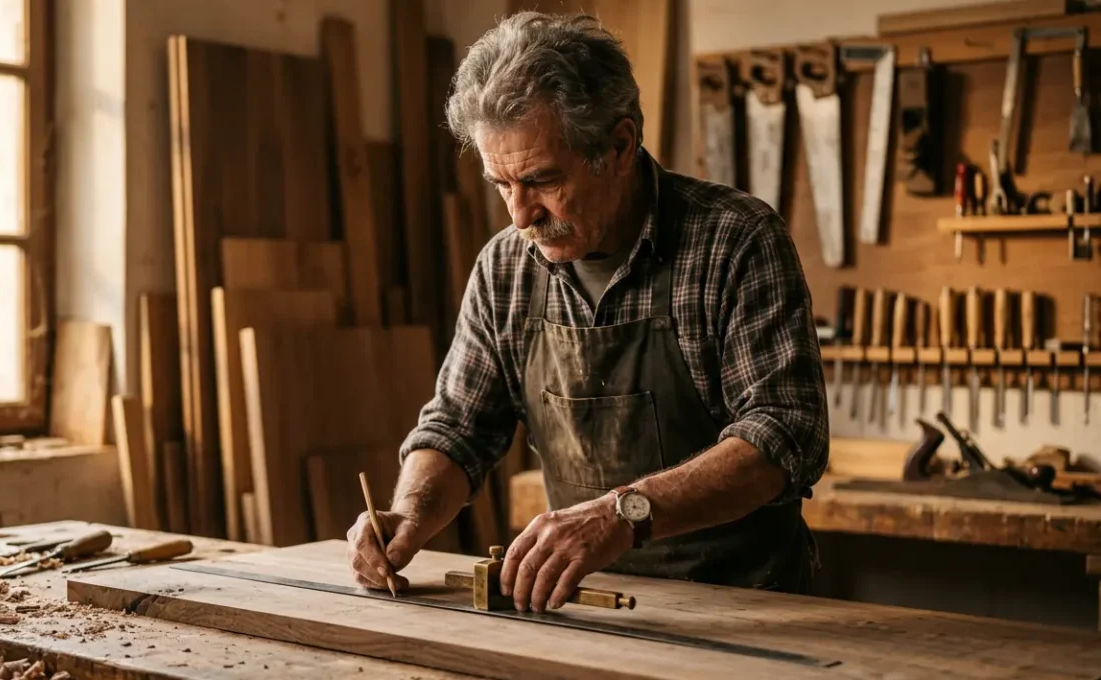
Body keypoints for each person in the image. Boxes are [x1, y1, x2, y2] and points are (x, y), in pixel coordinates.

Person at [346, 11, 829, 613]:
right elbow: (458, 427)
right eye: (501, 185)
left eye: (542, 180)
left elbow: (785, 435)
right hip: (584, 607)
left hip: (746, 606)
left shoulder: (736, 241)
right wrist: (409, 512)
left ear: (620, 146)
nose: (520, 215)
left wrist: (620, 514)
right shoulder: (505, 268)